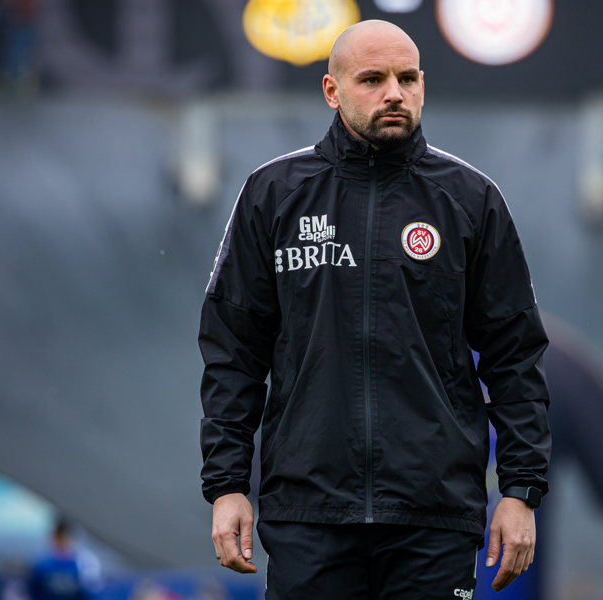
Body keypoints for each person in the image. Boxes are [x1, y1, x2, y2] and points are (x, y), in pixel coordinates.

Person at [199, 20, 551, 599]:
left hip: (434, 518)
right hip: (308, 515)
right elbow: (233, 354)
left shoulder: (471, 200)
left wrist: (520, 491)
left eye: (407, 78)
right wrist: (227, 485)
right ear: (332, 91)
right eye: (372, 79)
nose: (395, 93)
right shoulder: (274, 194)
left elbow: (515, 358)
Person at [29, 519, 100, 600]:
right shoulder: (42, 564)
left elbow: (90, 591)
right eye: (59, 537)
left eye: (65, 537)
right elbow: (35, 590)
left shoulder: (84, 563)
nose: (63, 541)